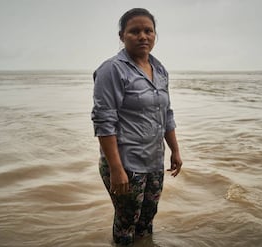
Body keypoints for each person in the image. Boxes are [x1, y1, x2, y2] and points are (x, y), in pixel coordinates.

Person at [91, 8, 183, 245]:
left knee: (147, 220)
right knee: (126, 223)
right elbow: (104, 121)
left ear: (154, 35)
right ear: (122, 36)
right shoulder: (111, 70)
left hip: (153, 161)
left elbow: (166, 113)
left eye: (148, 31)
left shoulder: (160, 69)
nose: (143, 36)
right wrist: (116, 169)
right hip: (126, 164)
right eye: (135, 31)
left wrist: (175, 150)